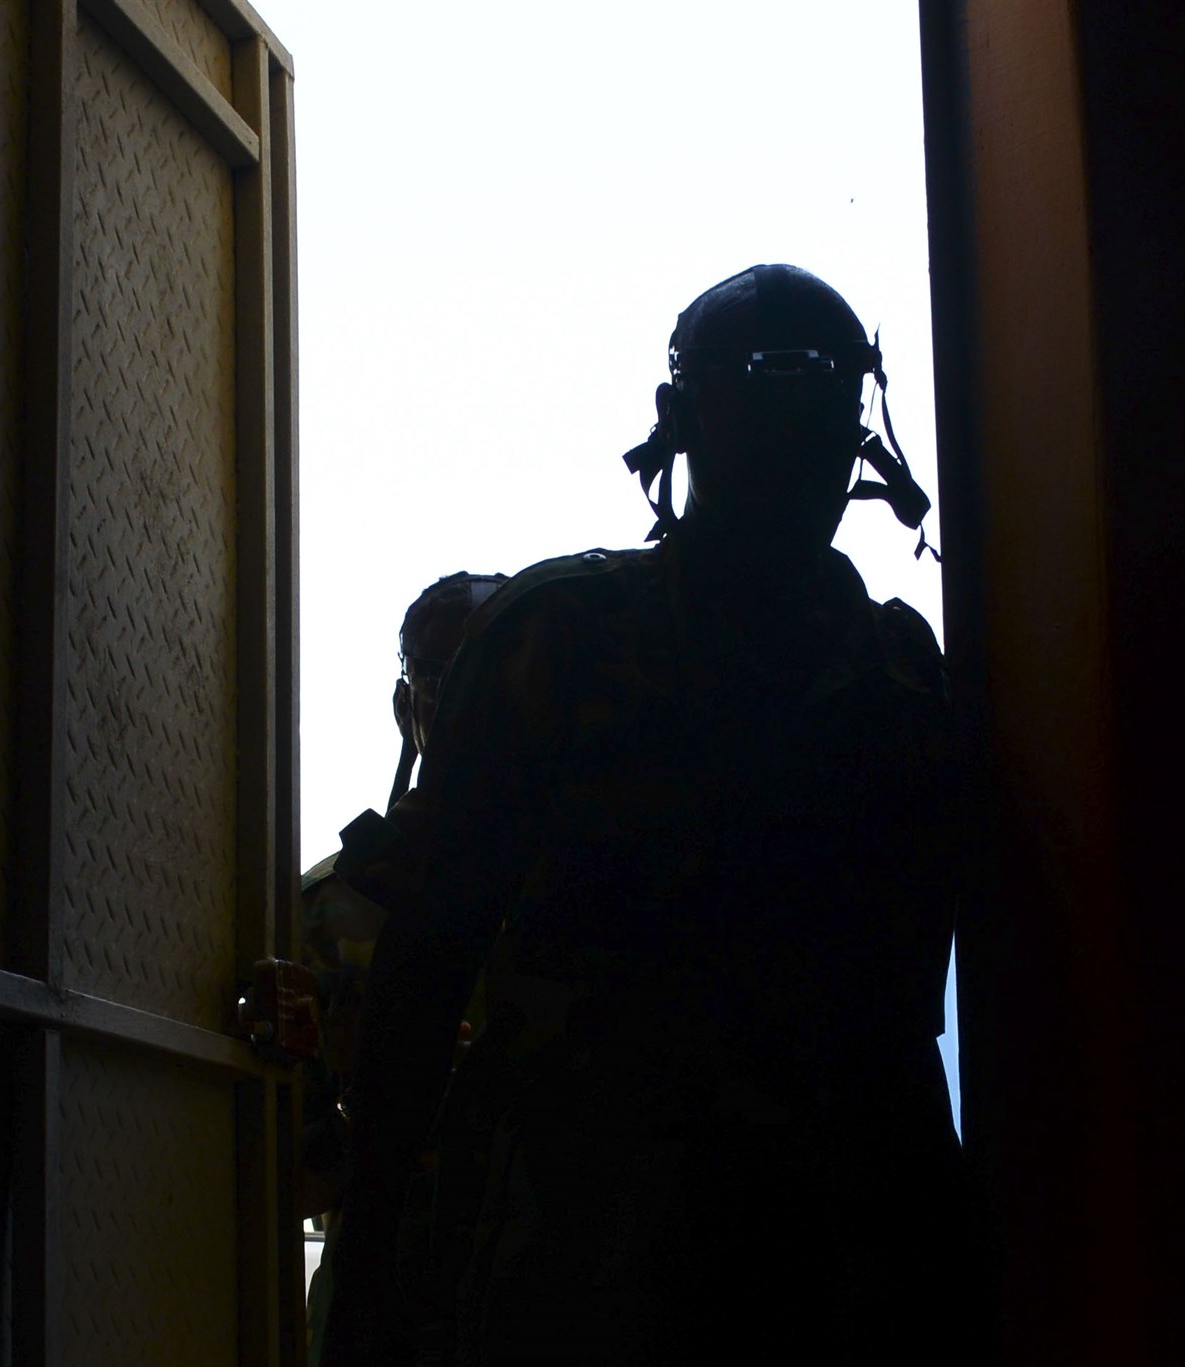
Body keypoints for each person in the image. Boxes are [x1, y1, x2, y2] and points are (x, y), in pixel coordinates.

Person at [322, 265, 983, 1365]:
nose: (798, 440)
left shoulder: (895, 669)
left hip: (806, 1247)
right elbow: (425, 967)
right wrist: (378, 1248)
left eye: (819, 409)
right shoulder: (562, 638)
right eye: (769, 401)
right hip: (601, 1243)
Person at [301, 571, 509, 1367]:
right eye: (448, 681)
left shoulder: (582, 899)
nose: (472, 711)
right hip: (384, 1295)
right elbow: (270, 1168)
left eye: (494, 682)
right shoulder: (332, 911)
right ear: (406, 704)